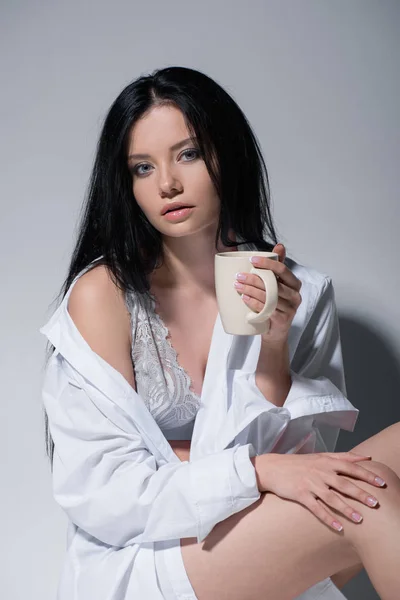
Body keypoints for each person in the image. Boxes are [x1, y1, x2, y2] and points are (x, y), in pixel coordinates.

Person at [40, 66, 400, 600]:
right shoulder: (104, 294)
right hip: (144, 557)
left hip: (242, 531)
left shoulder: (300, 290)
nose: (167, 184)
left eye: (187, 154)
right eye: (143, 167)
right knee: (371, 501)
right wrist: (253, 471)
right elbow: (104, 494)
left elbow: (304, 468)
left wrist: (274, 346)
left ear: (226, 154)